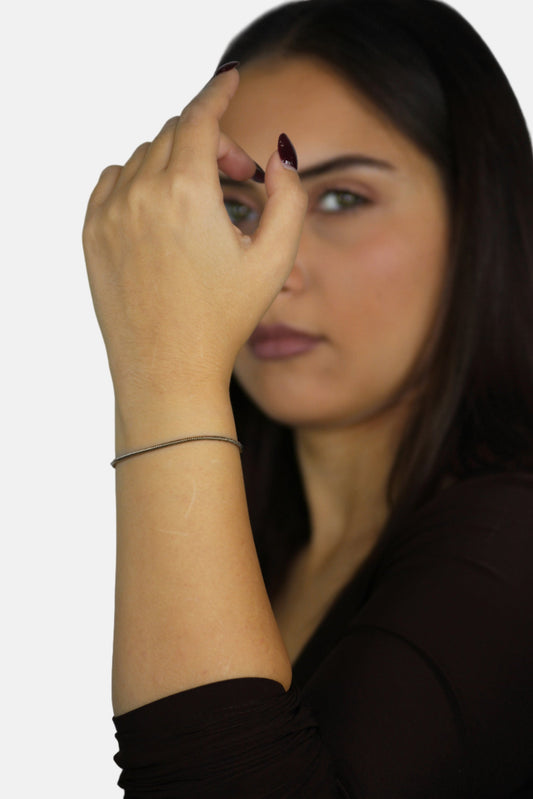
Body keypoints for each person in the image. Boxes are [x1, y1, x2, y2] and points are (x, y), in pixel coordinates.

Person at [82, 0, 533, 795]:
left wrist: (163, 375)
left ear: (477, 215)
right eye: (235, 207)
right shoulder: (249, 538)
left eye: (339, 199)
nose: (272, 265)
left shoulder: (512, 539)